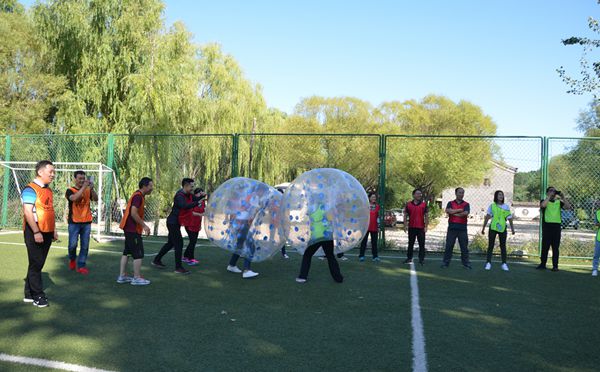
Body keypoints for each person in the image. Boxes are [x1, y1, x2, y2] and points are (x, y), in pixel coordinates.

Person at [21, 160, 58, 307]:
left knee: (37, 263)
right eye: (51, 172)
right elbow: (27, 212)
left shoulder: (48, 190)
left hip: (47, 231)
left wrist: (54, 230)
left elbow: (50, 211)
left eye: (54, 172)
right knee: (36, 263)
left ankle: (29, 294)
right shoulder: (30, 189)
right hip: (34, 230)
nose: (53, 174)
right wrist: (36, 231)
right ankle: (38, 296)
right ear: (40, 172)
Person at [152, 178, 201, 274]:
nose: (192, 188)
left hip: (175, 222)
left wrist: (203, 197)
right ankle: (178, 267)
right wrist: (197, 203)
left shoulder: (187, 194)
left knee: (171, 243)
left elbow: (195, 198)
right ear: (186, 186)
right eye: (191, 186)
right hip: (172, 223)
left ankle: (156, 260)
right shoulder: (179, 196)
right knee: (179, 244)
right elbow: (184, 206)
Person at [117, 177, 153, 286]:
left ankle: (122, 276)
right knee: (138, 253)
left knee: (127, 252)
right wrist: (144, 226)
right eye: (150, 186)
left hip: (129, 228)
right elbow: (133, 213)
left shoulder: (139, 195)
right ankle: (136, 277)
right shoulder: (138, 197)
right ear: (144, 186)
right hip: (132, 229)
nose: (152, 188)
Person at [296, 203, 343, 283]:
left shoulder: (312, 206)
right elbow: (331, 219)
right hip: (327, 235)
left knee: (307, 255)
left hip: (317, 236)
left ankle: (302, 276)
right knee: (330, 256)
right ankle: (338, 278)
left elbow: (306, 216)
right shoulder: (328, 207)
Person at [65, 170, 98, 275]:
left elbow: (96, 199)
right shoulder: (70, 190)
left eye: (83, 179)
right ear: (75, 179)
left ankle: (81, 265)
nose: (82, 180)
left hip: (86, 222)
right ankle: (72, 259)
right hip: (74, 222)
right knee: (72, 245)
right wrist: (84, 187)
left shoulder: (88, 189)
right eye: (80, 179)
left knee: (85, 245)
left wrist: (92, 189)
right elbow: (74, 198)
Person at [226, 190, 260, 279]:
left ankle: (232, 265)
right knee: (251, 245)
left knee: (240, 245)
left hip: (239, 222)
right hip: (243, 222)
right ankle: (247, 270)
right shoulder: (253, 197)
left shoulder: (244, 196)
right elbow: (252, 210)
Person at [538, 186, 571, 271]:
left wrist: (563, 197)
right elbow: (543, 205)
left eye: (554, 191)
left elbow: (568, 207)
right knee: (545, 246)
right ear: (547, 193)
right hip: (547, 227)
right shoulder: (544, 201)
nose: (553, 192)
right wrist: (549, 196)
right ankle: (543, 264)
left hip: (556, 227)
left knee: (555, 247)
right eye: (550, 191)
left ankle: (555, 266)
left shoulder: (558, 202)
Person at [481, 190, 515, 271]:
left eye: (502, 195)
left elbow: (509, 218)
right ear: (496, 196)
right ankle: (488, 263)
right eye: (499, 195)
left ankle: (504, 263)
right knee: (491, 245)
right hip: (493, 228)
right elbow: (487, 217)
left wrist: (513, 229)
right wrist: (483, 228)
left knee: (503, 246)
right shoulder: (492, 206)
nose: (501, 196)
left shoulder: (506, 206)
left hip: (503, 228)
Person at [441, 187, 472, 269]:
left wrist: (453, 212)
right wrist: (459, 210)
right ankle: (445, 263)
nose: (461, 194)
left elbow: (465, 213)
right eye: (459, 192)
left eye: (462, 193)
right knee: (449, 246)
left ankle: (466, 263)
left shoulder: (466, 204)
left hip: (462, 228)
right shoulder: (450, 203)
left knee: (464, 247)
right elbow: (448, 211)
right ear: (456, 193)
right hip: (452, 228)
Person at [180, 187, 207, 266]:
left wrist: (200, 224)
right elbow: (191, 212)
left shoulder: (202, 202)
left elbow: (203, 212)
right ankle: (191, 259)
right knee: (193, 241)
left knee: (193, 241)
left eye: (201, 193)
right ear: (195, 194)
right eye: (199, 193)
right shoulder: (192, 201)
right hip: (190, 223)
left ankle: (185, 256)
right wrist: (200, 214)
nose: (200, 194)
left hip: (196, 224)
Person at [403, 189, 428, 265]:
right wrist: (405, 225)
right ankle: (409, 258)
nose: (419, 195)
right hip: (411, 227)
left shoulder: (424, 204)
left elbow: (426, 216)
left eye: (420, 193)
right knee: (410, 243)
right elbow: (405, 215)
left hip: (421, 228)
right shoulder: (408, 204)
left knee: (422, 244)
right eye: (417, 193)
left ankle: (421, 259)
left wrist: (426, 226)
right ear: (413, 195)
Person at [359, 192, 380, 262]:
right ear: (369, 198)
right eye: (372, 197)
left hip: (374, 227)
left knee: (374, 243)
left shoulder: (377, 206)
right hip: (366, 227)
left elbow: (378, 217)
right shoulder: (365, 206)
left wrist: (379, 226)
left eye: (375, 197)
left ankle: (375, 256)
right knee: (364, 242)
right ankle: (361, 256)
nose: (374, 198)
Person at [592, 200, 600, 277]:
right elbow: (595, 223)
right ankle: (595, 269)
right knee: (596, 254)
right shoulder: (597, 212)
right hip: (599, 237)